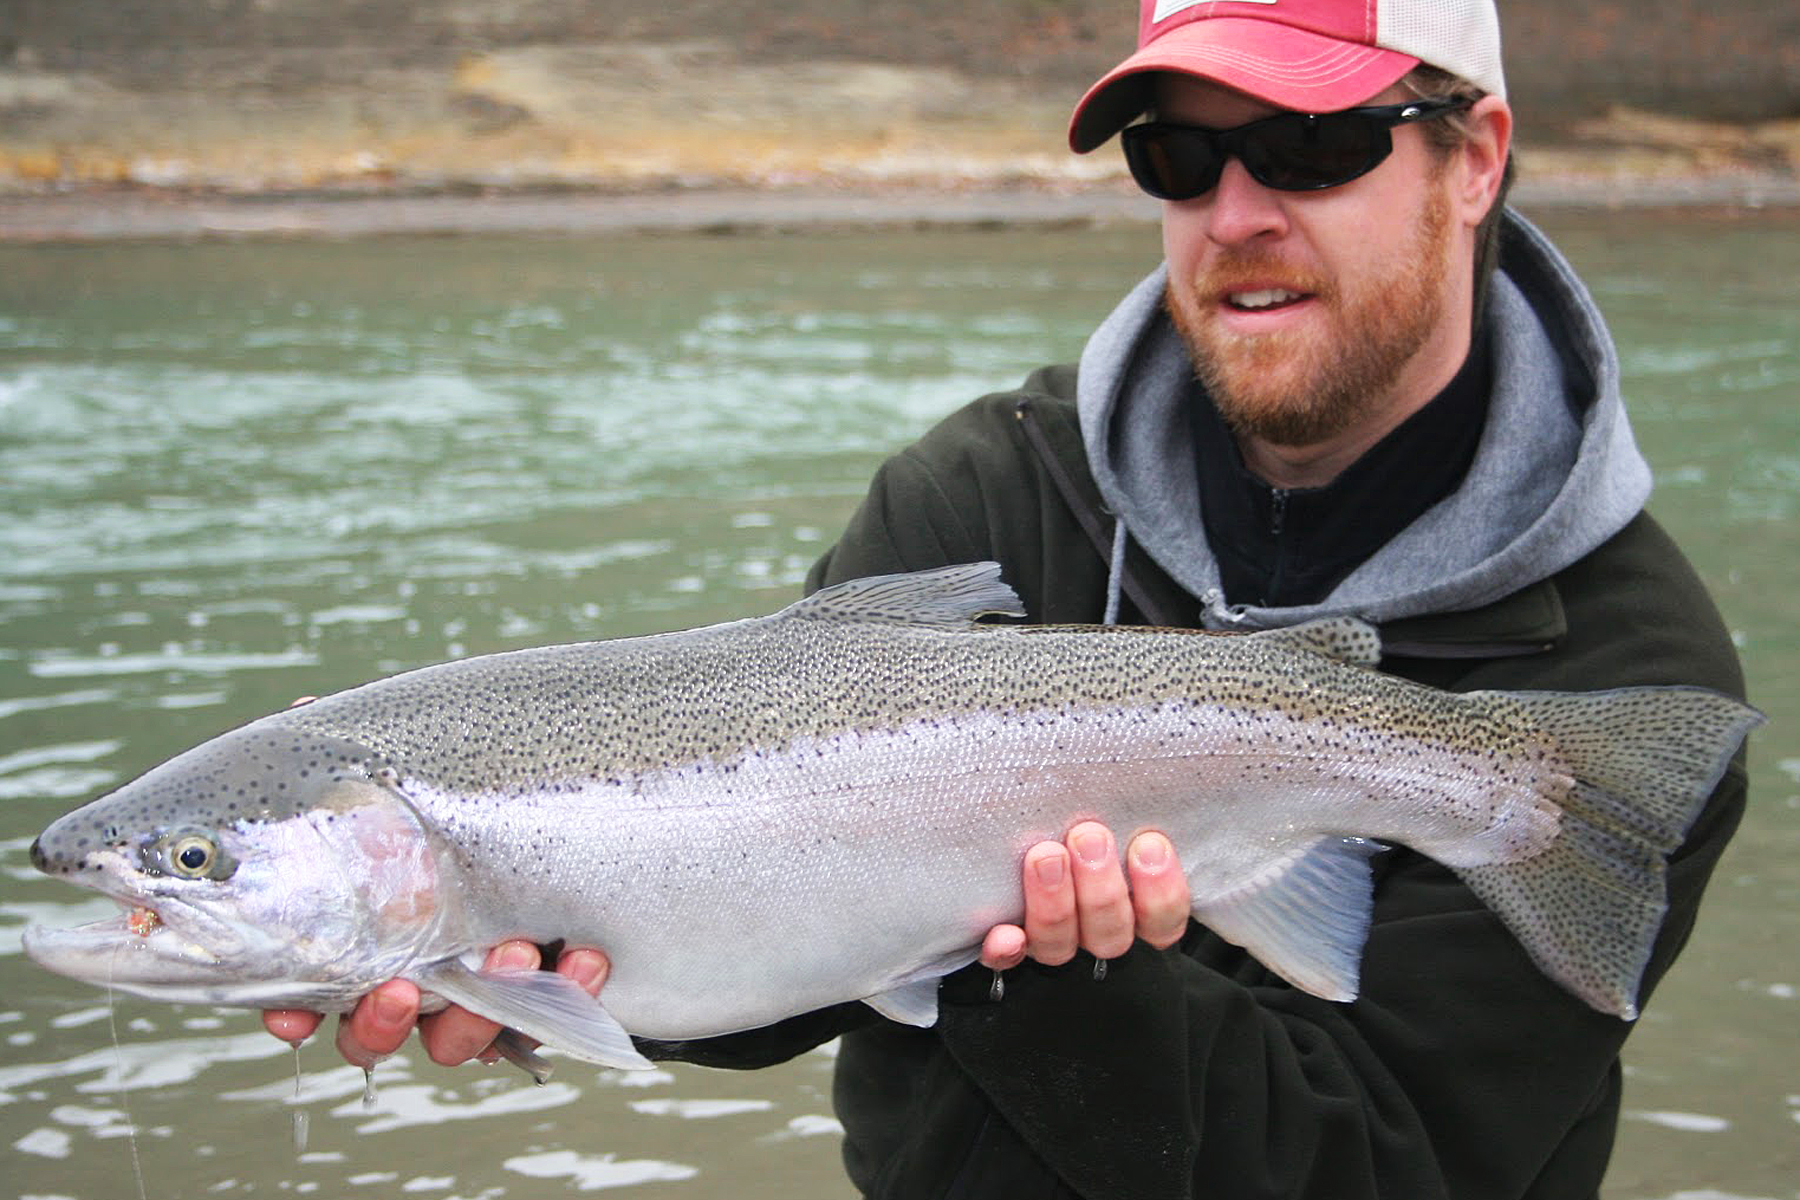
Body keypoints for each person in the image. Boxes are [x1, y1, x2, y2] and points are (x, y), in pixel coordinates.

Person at [265, 0, 1752, 1195]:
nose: (1234, 212)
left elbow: (1389, 1163)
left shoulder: (1608, 677)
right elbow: (793, 980)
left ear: (1476, 155)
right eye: (1176, 155)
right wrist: (541, 967)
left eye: (1307, 144)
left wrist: (1060, 975)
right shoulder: (985, 493)